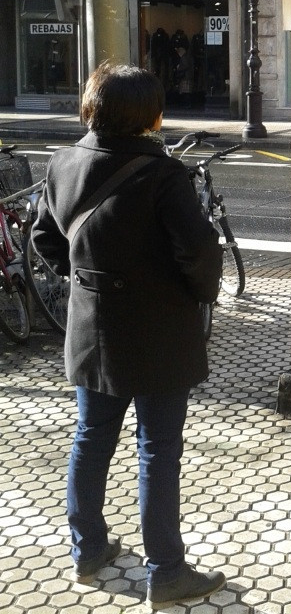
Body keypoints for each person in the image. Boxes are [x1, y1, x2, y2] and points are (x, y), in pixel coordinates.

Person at [31, 63, 225, 609]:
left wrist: (89, 283)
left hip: (93, 328)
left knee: (91, 438)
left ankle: (88, 548)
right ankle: (165, 571)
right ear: (149, 115)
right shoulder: (163, 175)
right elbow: (200, 254)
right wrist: (196, 295)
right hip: (160, 330)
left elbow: (46, 240)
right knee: (158, 448)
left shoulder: (63, 162)